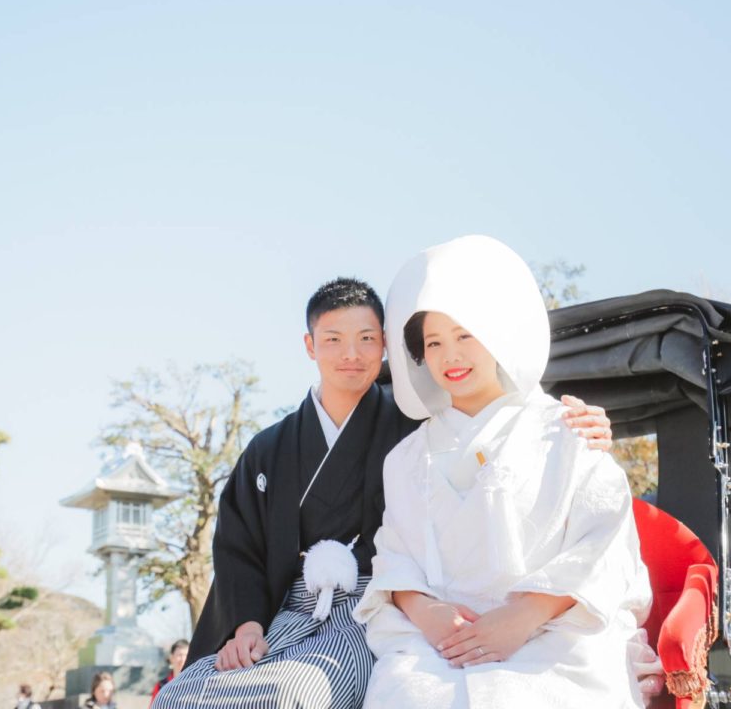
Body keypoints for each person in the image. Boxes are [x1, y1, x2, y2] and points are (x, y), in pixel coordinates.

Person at [155, 277, 614, 709]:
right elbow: (238, 546)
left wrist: (580, 427)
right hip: (281, 606)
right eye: (333, 339)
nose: (351, 354)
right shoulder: (268, 448)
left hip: (370, 606)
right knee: (177, 696)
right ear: (310, 345)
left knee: (294, 695)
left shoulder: (419, 432)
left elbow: (496, 441)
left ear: (386, 346)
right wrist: (246, 624)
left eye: (367, 339)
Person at [353, 235, 652, 708]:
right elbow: (395, 557)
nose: (451, 355)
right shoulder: (406, 458)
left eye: (465, 335)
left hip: (554, 636)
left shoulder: (567, 429)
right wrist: (430, 614)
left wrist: (525, 615)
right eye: (434, 342)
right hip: (439, 645)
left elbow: (605, 543)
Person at [150, 640, 188, 705]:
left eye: (186, 655)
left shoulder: (196, 683)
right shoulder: (161, 686)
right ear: (171, 658)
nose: (183, 659)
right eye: (179, 655)